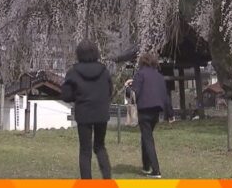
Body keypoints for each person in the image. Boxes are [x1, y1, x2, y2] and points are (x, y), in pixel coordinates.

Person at [61, 39, 113, 179]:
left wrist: (77, 97)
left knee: (85, 150)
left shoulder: (73, 72)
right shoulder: (104, 71)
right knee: (100, 146)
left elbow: (65, 95)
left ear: (78, 54)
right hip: (101, 113)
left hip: (83, 113)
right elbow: (110, 91)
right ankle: (108, 179)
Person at [125, 52, 172, 178]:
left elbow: (134, 93)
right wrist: (170, 114)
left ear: (142, 62)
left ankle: (156, 170)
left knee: (148, 139)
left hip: (144, 110)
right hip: (156, 112)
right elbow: (165, 96)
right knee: (146, 137)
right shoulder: (159, 76)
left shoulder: (140, 74)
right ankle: (146, 166)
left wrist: (127, 87)